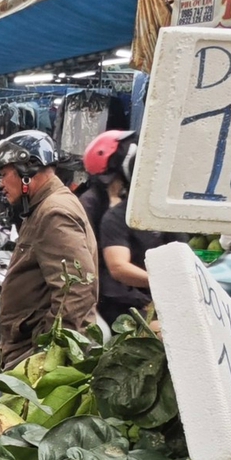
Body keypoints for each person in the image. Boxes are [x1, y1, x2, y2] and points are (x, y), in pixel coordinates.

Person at [0, 130, 98, 366]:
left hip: (36, 354)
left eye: (4, 173)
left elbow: (76, 288)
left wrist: (50, 352)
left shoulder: (54, 212)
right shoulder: (41, 207)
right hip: (28, 347)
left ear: (27, 169)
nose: (1, 183)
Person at [83, 130, 164, 325]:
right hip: (115, 298)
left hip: (140, 293)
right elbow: (116, 268)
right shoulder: (96, 207)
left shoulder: (135, 206)